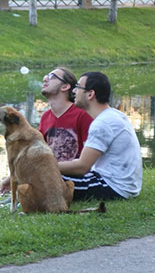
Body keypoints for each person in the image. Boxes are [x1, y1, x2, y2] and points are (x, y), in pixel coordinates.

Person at [0, 67, 93, 193]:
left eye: (52, 77)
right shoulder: (45, 117)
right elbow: (34, 155)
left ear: (65, 87)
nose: (45, 78)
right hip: (51, 174)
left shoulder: (82, 115)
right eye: (46, 76)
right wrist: (11, 177)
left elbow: (89, 162)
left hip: (75, 177)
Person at [59, 71, 143, 201]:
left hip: (113, 187)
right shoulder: (112, 115)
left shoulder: (103, 123)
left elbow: (82, 167)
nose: (74, 91)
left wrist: (48, 166)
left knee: (45, 176)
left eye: (78, 87)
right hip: (119, 184)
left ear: (90, 94)